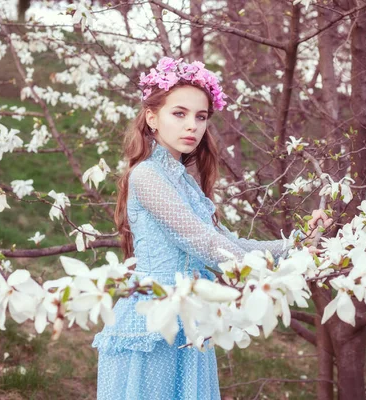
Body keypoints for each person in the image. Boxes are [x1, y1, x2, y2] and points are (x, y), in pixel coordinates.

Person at [91, 57, 331, 400]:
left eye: (200, 117)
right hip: (154, 317)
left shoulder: (185, 181)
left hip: (190, 314)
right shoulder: (146, 175)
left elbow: (227, 242)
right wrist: (272, 277)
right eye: (180, 113)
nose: (192, 125)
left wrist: (297, 245)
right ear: (151, 117)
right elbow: (203, 244)